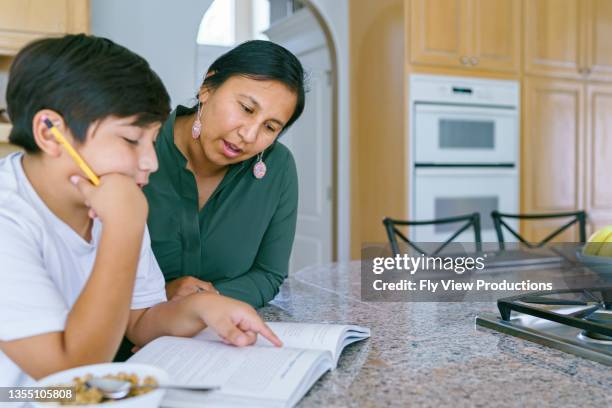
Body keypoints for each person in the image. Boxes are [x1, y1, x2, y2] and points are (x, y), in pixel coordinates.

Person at [0, 34, 280, 387]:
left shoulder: (112, 195)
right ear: (49, 132)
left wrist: (201, 308)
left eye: (152, 140)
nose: (150, 161)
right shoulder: (10, 219)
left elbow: (139, 319)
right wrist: (123, 228)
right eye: (131, 140)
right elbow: (67, 373)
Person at [145, 40, 305, 308]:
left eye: (270, 126)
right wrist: (158, 296)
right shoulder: (137, 146)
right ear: (208, 88)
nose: (249, 135)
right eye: (246, 108)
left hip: (220, 337)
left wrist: (205, 302)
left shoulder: (278, 168)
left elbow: (269, 274)